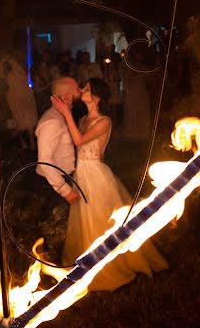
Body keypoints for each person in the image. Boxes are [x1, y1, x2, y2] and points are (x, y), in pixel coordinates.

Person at [51, 78, 168, 291]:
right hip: (83, 173)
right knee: (86, 219)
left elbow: (79, 141)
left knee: (99, 217)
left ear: (97, 97)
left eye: (87, 88)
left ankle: (108, 265)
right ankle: (87, 262)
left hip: (95, 175)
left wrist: (66, 113)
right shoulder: (84, 117)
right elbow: (82, 143)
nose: (83, 90)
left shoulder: (104, 121)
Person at [35, 77, 81, 204]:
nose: (80, 91)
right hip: (53, 184)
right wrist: (65, 190)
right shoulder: (52, 121)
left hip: (64, 176)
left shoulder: (63, 115)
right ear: (68, 96)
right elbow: (44, 160)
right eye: (77, 89)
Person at [0, 52, 38, 150]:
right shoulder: (8, 74)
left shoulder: (22, 73)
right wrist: (2, 61)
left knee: (29, 122)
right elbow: (1, 74)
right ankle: (23, 143)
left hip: (25, 98)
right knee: (18, 121)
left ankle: (32, 144)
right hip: (15, 99)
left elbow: (22, 72)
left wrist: (12, 61)